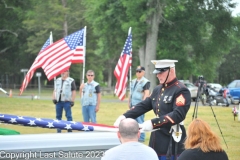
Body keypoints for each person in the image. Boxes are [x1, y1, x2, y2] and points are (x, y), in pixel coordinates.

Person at [114, 59, 191, 160]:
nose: (158, 75)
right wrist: (125, 116)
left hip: (171, 140)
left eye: (161, 72)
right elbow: (144, 105)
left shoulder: (181, 90)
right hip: (157, 139)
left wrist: (152, 123)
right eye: (157, 72)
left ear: (171, 71)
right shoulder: (158, 89)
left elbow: (177, 115)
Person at [129, 66, 150, 142]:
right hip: (133, 103)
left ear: (143, 72)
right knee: (133, 121)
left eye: (140, 71)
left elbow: (146, 93)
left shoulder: (145, 82)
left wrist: (143, 104)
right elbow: (131, 92)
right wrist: (129, 102)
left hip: (139, 104)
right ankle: (134, 137)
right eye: (137, 71)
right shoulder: (133, 81)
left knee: (140, 121)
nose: (138, 73)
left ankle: (141, 137)